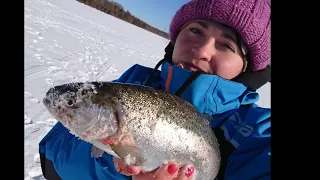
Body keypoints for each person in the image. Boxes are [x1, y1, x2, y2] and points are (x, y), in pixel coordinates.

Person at [39, 0, 271, 179]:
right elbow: (51, 154)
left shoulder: (257, 132)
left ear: (247, 66)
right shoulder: (136, 82)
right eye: (196, 31)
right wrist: (119, 167)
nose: (202, 50)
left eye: (226, 45)